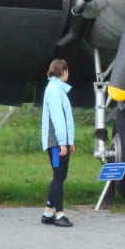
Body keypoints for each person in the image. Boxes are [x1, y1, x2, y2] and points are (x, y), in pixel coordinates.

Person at [41, 59, 76, 227]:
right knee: (58, 177)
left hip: (60, 140)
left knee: (60, 175)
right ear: (64, 71)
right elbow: (57, 118)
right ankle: (60, 214)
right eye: (67, 71)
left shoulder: (57, 89)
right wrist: (63, 142)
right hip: (56, 141)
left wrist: (70, 140)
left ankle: (48, 212)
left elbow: (66, 119)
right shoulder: (55, 90)